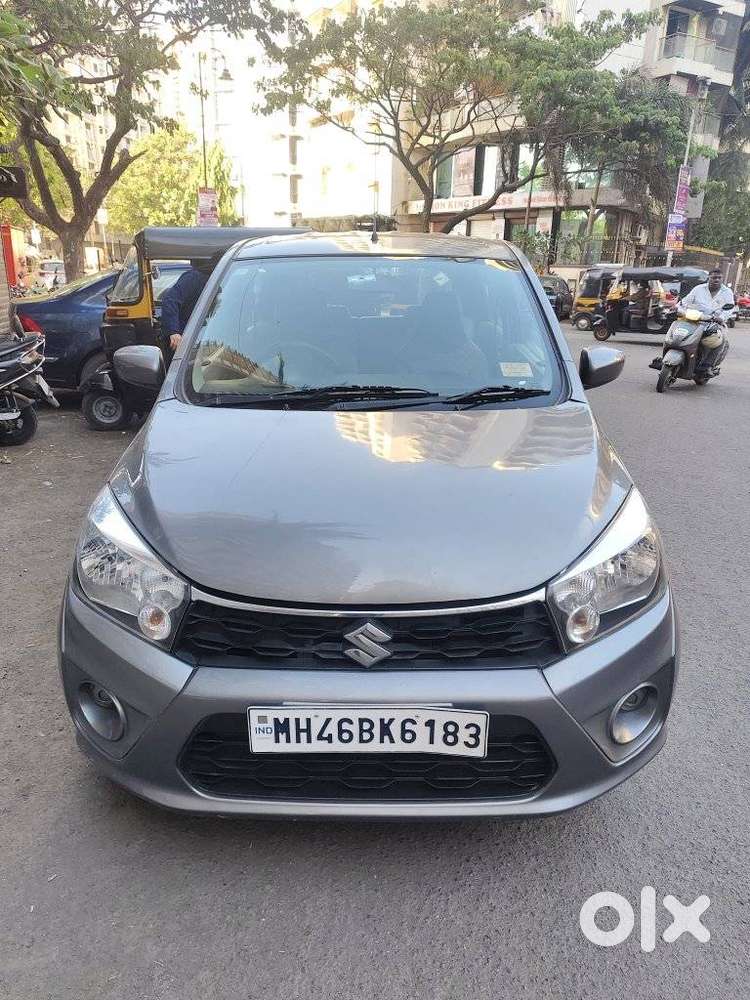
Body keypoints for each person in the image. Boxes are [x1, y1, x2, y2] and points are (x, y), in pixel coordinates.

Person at [678, 268, 736, 373]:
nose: (716, 280)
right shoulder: (698, 289)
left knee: (720, 339)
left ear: (722, 279)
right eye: (714, 277)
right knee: (678, 333)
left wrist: (721, 318)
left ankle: (707, 365)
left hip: (715, 322)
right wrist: (677, 307)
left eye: (719, 278)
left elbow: (729, 308)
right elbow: (686, 301)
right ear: (709, 278)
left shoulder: (727, 292)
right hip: (695, 319)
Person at [160, 254, 219, 354]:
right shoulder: (194, 278)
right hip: (183, 340)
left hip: (208, 339)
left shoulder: (222, 283)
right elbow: (171, 300)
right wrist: (174, 332)